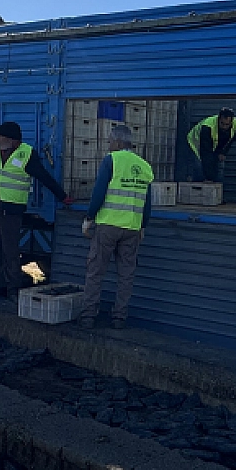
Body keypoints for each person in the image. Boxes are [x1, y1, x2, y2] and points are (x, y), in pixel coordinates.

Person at [0, 121, 70, 300]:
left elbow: (44, 177)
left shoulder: (27, 153)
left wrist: (62, 196)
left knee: (10, 252)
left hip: (10, 209)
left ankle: (12, 290)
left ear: (12, 140)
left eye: (0, 136)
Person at [80, 124, 154, 329]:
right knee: (126, 275)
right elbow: (147, 203)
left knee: (95, 271)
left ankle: (88, 316)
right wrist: (142, 226)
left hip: (108, 226)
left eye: (110, 141)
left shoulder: (111, 160)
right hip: (132, 228)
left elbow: (99, 192)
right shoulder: (145, 166)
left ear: (119, 143)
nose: (109, 145)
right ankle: (119, 318)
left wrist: (89, 217)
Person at [186, 107, 236, 183]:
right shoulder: (207, 127)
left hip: (214, 145)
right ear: (218, 119)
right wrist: (209, 177)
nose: (224, 127)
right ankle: (196, 184)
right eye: (222, 123)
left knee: (219, 165)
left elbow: (231, 139)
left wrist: (223, 152)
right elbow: (206, 153)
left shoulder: (235, 124)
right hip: (195, 142)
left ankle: (217, 185)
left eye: (227, 124)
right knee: (199, 166)